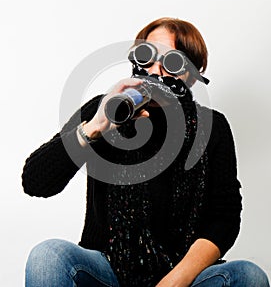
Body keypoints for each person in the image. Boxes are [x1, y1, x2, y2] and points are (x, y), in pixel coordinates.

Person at [22, 18, 270, 287]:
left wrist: (175, 280)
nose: (156, 70)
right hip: (108, 271)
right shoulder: (105, 109)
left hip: (182, 275)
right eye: (147, 57)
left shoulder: (213, 126)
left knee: (249, 275)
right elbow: (36, 182)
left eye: (172, 63)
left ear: (191, 74)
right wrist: (95, 127)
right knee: (47, 256)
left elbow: (225, 217)